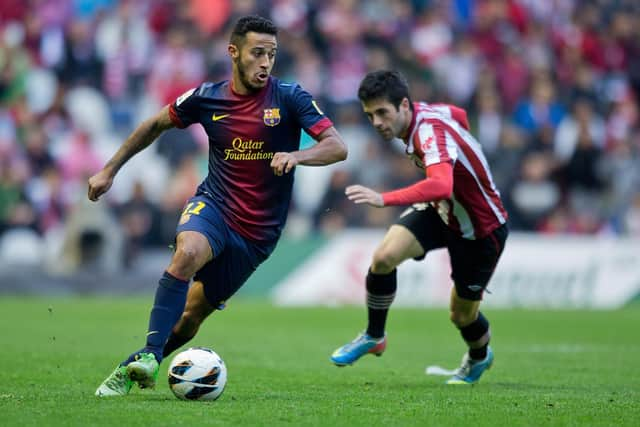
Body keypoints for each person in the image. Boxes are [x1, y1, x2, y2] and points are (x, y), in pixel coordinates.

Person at [90, 15, 347, 397]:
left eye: (271, 55)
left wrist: (297, 156)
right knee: (188, 251)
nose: (265, 62)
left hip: (258, 234)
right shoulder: (206, 97)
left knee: (191, 316)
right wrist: (110, 169)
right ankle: (146, 355)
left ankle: (141, 363)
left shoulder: (289, 97)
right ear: (234, 52)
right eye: (257, 53)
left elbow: (337, 146)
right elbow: (153, 125)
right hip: (215, 205)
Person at [330, 70, 508, 385]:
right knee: (384, 257)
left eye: (383, 113)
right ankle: (374, 336)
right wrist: (467, 151)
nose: (377, 122)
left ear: (404, 106)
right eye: (370, 115)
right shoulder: (428, 113)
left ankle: (479, 357)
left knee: (461, 315)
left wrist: (383, 199)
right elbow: (460, 115)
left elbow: (440, 185)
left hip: (480, 229)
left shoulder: (429, 133)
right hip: (443, 212)